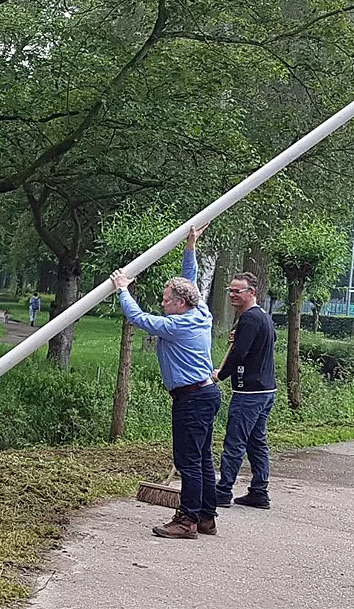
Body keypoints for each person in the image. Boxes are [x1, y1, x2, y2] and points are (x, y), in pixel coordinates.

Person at [110, 224, 219, 539]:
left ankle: (187, 521)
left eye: (167, 300)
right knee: (202, 459)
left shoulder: (178, 325)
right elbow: (191, 281)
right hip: (205, 395)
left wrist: (122, 289)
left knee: (189, 462)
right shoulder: (201, 311)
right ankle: (206, 518)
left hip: (192, 399)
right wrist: (190, 247)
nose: (163, 304)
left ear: (181, 304)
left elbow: (139, 319)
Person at [213, 272, 277, 509]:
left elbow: (240, 353)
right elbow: (269, 340)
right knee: (257, 441)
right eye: (230, 290)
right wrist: (239, 338)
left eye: (237, 291)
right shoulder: (263, 317)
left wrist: (220, 374)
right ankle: (259, 492)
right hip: (266, 389)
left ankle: (222, 491)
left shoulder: (249, 319)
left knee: (235, 441)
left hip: (249, 392)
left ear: (252, 293)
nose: (232, 295)